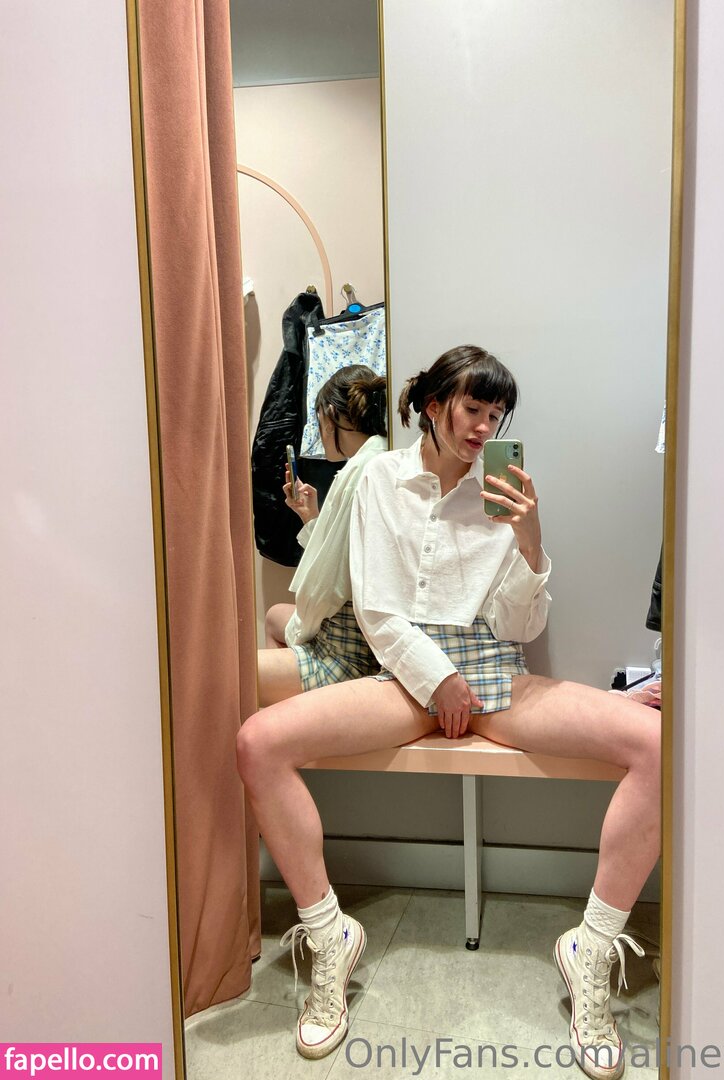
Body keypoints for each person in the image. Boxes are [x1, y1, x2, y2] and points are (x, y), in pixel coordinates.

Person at [237, 345, 660, 1079]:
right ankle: (329, 936)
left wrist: (530, 545)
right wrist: (438, 682)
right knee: (257, 742)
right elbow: (378, 610)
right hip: (406, 679)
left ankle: (591, 949)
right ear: (432, 407)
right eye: (473, 408)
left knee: (657, 742)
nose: (484, 426)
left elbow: (519, 627)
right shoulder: (380, 478)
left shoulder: (501, 492)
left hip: (494, 672)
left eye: (496, 414)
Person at [257, 364, 387, 706]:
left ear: (329, 416)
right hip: (353, 633)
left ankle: (293, 713)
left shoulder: (362, 472)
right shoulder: (377, 456)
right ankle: (292, 712)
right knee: (274, 615)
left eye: (317, 422)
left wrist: (302, 629)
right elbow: (342, 556)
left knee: (233, 671)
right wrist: (310, 516)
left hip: (345, 651)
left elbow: (325, 589)